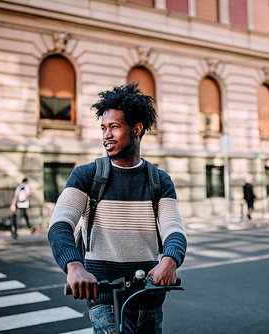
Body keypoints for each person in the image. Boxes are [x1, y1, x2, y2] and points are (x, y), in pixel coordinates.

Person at [47, 83, 187, 334]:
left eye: (114, 127)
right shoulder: (86, 176)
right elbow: (60, 224)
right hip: (103, 297)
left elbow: (173, 228)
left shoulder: (159, 180)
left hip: (149, 295)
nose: (106, 135)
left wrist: (170, 260)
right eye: (103, 128)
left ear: (136, 129)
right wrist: (74, 266)